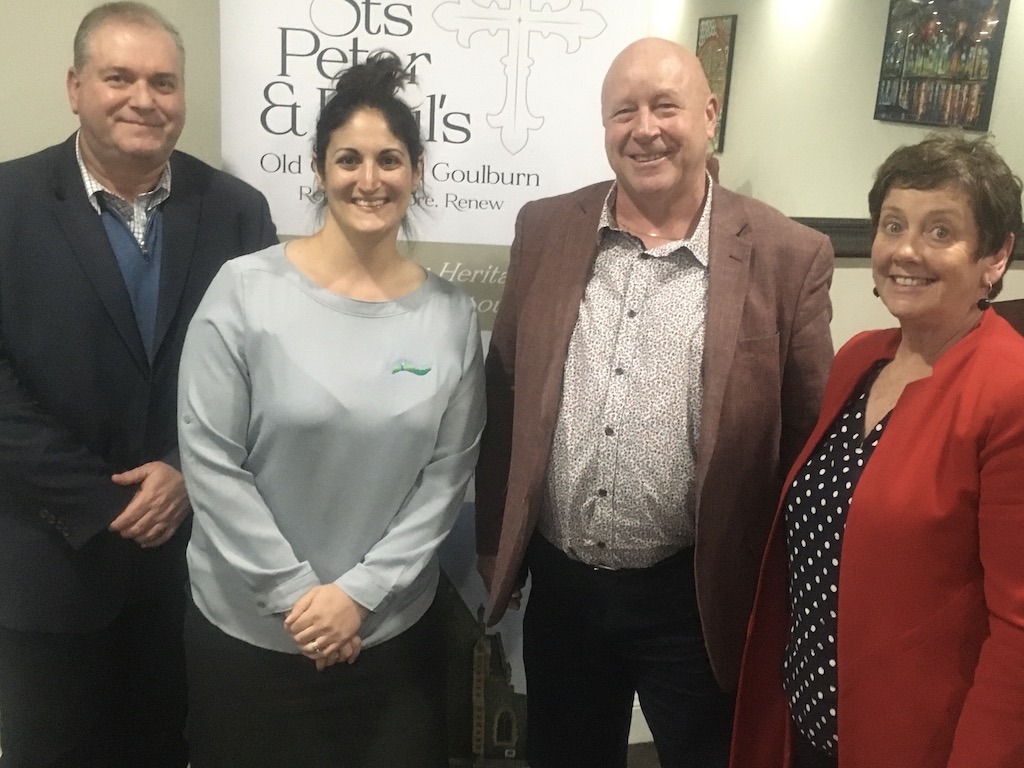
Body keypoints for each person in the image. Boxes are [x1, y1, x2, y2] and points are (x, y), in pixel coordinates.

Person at [474, 36, 834, 768]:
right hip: (564, 589)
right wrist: (493, 545)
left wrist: (789, 596)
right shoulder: (544, 229)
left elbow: (807, 443)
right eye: (623, 111)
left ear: (709, 113)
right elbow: (504, 393)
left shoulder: (786, 254)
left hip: (696, 597)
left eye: (664, 106)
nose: (645, 128)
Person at [177, 51, 485, 768]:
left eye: (390, 159)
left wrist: (359, 597)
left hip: (389, 639)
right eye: (349, 159)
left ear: (415, 171)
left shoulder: (449, 315)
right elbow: (210, 460)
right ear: (318, 169)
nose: (369, 179)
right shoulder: (245, 292)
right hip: (250, 635)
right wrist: (297, 597)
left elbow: (445, 480)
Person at [0, 3, 276, 766]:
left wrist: (186, 472)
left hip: (190, 571)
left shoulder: (237, 213)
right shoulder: (7, 204)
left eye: (163, 81)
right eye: (119, 77)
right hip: (50, 568)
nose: (143, 99)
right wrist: (102, 497)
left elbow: (264, 373)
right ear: (75, 86)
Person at [730, 133, 1024, 768]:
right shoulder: (860, 358)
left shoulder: (1010, 393)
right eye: (894, 225)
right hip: (807, 725)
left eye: (940, 231)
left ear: (994, 257)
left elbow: (1019, 634)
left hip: (914, 742)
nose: (906, 251)